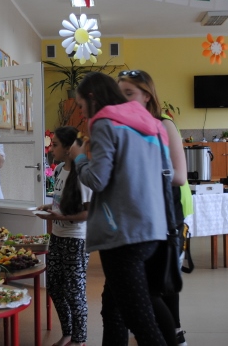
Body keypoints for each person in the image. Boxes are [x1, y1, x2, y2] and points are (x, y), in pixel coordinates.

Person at [69, 71, 172, 346]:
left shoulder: (105, 122)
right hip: (152, 229)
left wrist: (79, 159)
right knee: (115, 309)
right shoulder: (154, 125)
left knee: (141, 323)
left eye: (81, 105)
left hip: (122, 233)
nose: (82, 113)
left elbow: (97, 180)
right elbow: (169, 173)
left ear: (92, 98)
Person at [118, 70, 193, 346]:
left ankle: (175, 335)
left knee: (159, 284)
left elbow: (179, 176)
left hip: (165, 216)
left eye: (129, 93)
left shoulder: (164, 124)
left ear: (147, 96)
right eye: (120, 94)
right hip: (137, 217)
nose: (123, 100)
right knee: (144, 287)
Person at [35, 126, 91, 346]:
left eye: (55, 145)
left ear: (68, 148)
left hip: (76, 240)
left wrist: (62, 216)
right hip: (57, 237)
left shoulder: (83, 175)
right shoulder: (59, 169)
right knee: (55, 288)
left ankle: (79, 339)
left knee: (74, 292)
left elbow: (89, 213)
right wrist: (49, 207)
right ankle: (68, 333)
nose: (51, 149)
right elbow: (62, 202)